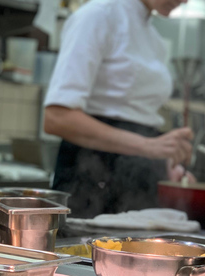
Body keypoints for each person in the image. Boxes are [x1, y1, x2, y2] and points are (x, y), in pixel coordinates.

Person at [43, 0, 195, 219]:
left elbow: (135, 117)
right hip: (93, 176)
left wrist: (161, 165)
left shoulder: (154, 38)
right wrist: (148, 146)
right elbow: (57, 117)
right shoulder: (97, 16)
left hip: (138, 182)